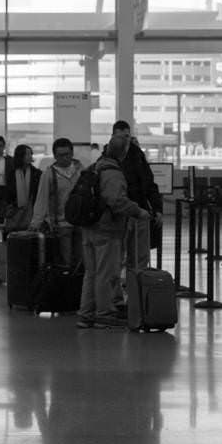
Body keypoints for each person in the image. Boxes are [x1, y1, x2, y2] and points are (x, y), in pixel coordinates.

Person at [77, 134, 149, 329]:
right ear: (124, 152)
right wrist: (138, 211)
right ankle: (104, 313)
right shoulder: (113, 172)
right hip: (106, 229)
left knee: (91, 273)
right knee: (105, 273)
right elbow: (116, 200)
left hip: (88, 227)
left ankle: (86, 314)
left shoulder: (95, 167)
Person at [31, 137, 86, 268]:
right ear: (55, 156)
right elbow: (41, 199)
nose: (64, 158)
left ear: (72, 153)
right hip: (60, 226)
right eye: (60, 155)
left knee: (81, 263)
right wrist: (35, 223)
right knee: (65, 264)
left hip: (80, 224)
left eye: (67, 154)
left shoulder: (81, 170)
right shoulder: (49, 174)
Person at [112, 120, 164, 256]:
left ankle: (136, 277)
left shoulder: (137, 155)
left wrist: (157, 208)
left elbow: (149, 184)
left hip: (139, 212)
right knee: (117, 257)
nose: (125, 140)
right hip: (117, 216)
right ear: (113, 137)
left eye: (127, 136)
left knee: (139, 256)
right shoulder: (107, 157)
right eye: (120, 137)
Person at [2, 144, 41, 238]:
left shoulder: (37, 173)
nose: (30, 156)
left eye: (30, 154)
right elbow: (7, 194)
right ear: (20, 156)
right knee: (14, 239)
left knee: (29, 239)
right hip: (14, 213)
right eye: (27, 154)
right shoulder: (11, 173)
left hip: (31, 212)